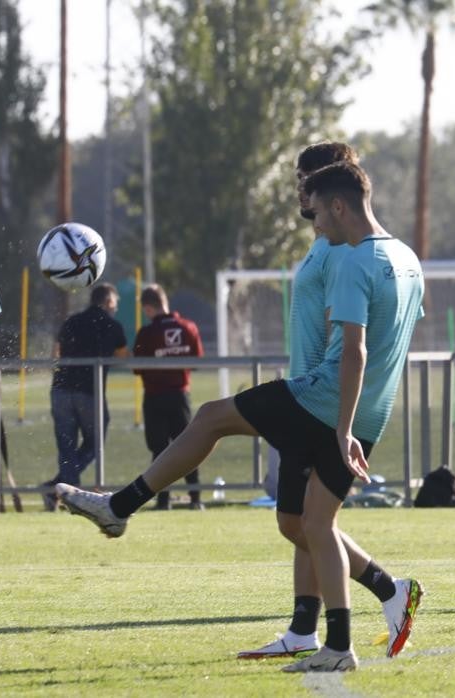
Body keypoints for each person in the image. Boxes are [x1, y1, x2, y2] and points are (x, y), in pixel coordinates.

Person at [56, 161, 426, 673]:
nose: (313, 222)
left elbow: (355, 352)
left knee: (210, 417)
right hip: (368, 415)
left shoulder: (354, 261)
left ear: (338, 205)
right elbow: (395, 342)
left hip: (323, 402)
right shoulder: (407, 258)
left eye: (316, 211)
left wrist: (340, 428)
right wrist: (355, 425)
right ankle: (348, 632)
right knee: (310, 525)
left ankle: (120, 505)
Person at [235, 143, 422, 663]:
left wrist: (334, 409)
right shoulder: (338, 242)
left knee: (312, 523)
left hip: (324, 403)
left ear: (333, 194)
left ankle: (342, 634)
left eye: (305, 183)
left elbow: (354, 341)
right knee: (299, 523)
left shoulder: (347, 247)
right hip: (317, 395)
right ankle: (316, 626)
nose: (302, 196)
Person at [43, 282, 128, 508]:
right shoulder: (113, 326)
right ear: (109, 302)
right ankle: (63, 492)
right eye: (115, 304)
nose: (115, 308)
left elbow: (56, 352)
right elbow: (122, 357)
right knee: (96, 442)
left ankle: (59, 489)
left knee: (66, 446)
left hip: (60, 389)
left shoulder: (71, 321)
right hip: (89, 392)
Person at [132, 283, 205, 511]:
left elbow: (137, 367)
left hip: (155, 397)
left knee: (159, 451)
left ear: (147, 308)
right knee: (187, 447)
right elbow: (197, 360)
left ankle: (163, 501)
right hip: (180, 394)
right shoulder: (189, 327)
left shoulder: (146, 333)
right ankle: (195, 499)